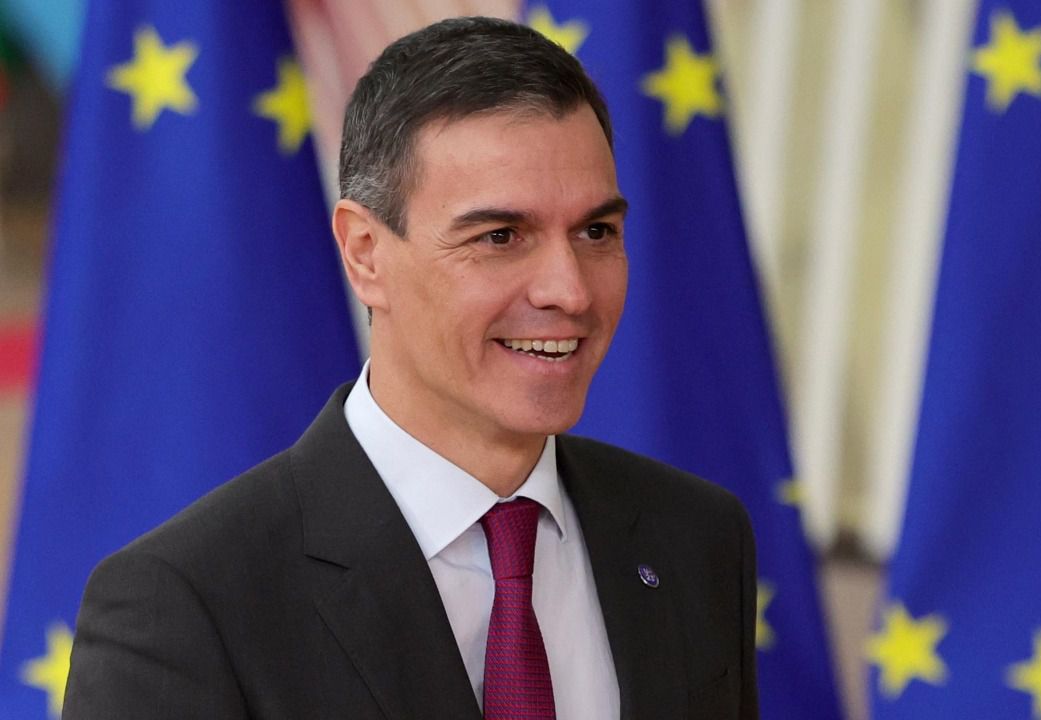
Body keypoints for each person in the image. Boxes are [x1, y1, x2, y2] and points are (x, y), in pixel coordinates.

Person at [63, 16, 757, 720]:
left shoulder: (697, 539)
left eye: (596, 231)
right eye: (501, 236)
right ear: (365, 253)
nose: (570, 291)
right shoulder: (184, 606)